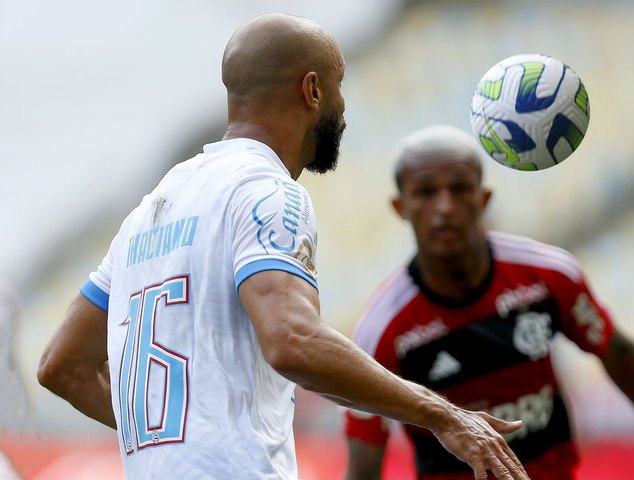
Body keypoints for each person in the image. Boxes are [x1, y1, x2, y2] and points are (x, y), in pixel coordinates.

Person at [36, 13, 530, 480]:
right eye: (340, 85)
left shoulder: (149, 211)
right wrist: (441, 415)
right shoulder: (267, 190)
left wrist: (177, 444)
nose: (343, 106)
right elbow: (294, 341)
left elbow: (62, 365)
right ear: (312, 89)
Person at [343, 125, 634, 480]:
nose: (445, 207)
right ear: (400, 207)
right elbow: (363, 460)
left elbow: (620, 356)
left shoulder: (547, 275)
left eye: (459, 189)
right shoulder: (383, 328)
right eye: (425, 192)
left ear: (483, 199)